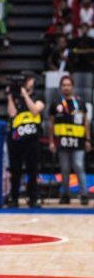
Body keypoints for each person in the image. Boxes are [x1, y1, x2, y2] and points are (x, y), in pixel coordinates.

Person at [49, 75, 90, 205]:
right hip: (62, 142)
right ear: (61, 88)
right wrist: (51, 141)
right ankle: (65, 195)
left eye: (68, 85)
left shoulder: (81, 102)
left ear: (72, 86)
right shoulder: (56, 104)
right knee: (65, 168)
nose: (66, 87)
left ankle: (84, 194)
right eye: (64, 85)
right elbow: (51, 124)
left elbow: (86, 122)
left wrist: (88, 140)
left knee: (78, 166)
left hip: (78, 142)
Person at [7, 74, 45, 208]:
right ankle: (14, 198)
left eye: (29, 79)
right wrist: (10, 97)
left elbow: (35, 110)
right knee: (15, 171)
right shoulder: (15, 97)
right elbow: (12, 114)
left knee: (32, 170)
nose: (27, 82)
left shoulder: (38, 96)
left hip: (32, 139)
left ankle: (33, 198)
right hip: (16, 139)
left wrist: (25, 94)